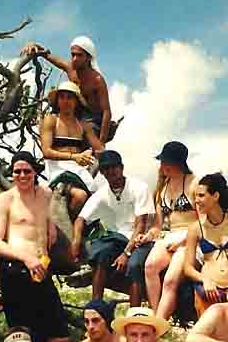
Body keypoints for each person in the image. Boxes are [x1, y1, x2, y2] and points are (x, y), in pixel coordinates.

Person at [0, 151, 70, 342]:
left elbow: (47, 222)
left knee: (60, 336)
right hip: (15, 270)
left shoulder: (45, 194)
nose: (22, 175)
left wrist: (50, 229)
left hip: (41, 269)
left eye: (27, 171)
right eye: (17, 171)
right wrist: (26, 257)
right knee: (21, 340)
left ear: (35, 172)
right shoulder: (3, 200)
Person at [71, 150, 153, 306]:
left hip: (142, 239)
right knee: (100, 254)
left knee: (134, 265)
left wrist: (126, 254)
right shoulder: (102, 193)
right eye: (105, 169)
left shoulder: (139, 187)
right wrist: (76, 241)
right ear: (101, 172)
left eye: (113, 167)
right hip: (118, 238)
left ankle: (133, 316)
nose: (110, 172)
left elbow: (140, 225)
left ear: (121, 168)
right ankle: (96, 307)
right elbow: (80, 219)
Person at [182, 173, 228, 317]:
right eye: (195, 196)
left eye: (201, 196)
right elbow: (187, 268)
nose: (196, 201)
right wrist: (205, 279)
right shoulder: (195, 228)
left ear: (216, 196)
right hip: (209, 290)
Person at [140, 141, 200, 320]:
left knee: (171, 279)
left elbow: (204, 222)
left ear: (178, 163)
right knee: (150, 266)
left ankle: (159, 322)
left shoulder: (195, 184)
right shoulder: (162, 189)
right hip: (171, 235)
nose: (162, 165)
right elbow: (158, 226)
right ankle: (156, 315)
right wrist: (148, 236)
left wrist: (185, 241)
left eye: (166, 161)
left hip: (193, 237)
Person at [22, 36, 113, 144]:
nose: (74, 58)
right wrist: (34, 45)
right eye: (73, 54)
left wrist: (101, 142)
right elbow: (47, 54)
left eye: (79, 55)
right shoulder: (70, 68)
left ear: (88, 58)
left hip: (92, 118)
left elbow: (106, 112)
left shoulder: (97, 80)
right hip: (75, 112)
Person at [40, 81, 106, 217]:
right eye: (62, 97)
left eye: (69, 97)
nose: (65, 101)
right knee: (80, 196)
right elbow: (46, 152)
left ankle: (80, 227)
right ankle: (70, 223)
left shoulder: (83, 125)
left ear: (76, 102)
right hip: (56, 168)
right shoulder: (50, 120)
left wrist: (90, 153)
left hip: (79, 169)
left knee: (99, 198)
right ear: (57, 101)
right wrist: (74, 156)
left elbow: (100, 149)